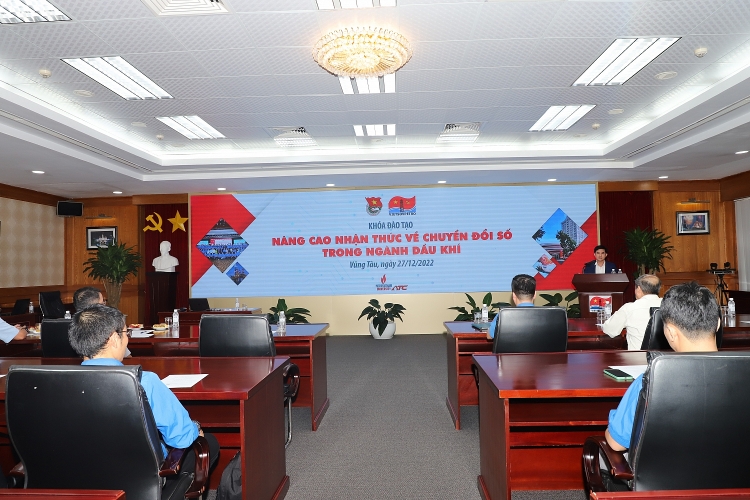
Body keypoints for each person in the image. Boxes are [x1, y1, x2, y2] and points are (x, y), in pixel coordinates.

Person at [67, 304, 219, 477]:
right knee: (208, 443)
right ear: (114, 338)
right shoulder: (143, 381)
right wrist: (196, 428)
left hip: (79, 477)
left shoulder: (60, 383)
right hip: (139, 480)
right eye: (126, 333)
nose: (127, 340)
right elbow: (181, 438)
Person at [605, 281, 720, 453]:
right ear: (718, 323)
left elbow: (617, 443)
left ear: (671, 332)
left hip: (666, 470)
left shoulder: (652, 379)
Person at [602, 274, 662, 350]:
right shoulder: (669, 305)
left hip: (637, 356)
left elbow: (609, 330)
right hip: (666, 356)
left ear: (638, 289)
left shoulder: (630, 308)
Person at [73, 286, 131, 358]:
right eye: (103, 303)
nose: (105, 305)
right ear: (97, 307)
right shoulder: (108, 327)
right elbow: (128, 358)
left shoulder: (70, 329)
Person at [487, 274, 536, 340]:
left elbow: (489, 336)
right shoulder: (549, 315)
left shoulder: (503, 315)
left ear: (513, 295)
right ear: (535, 294)